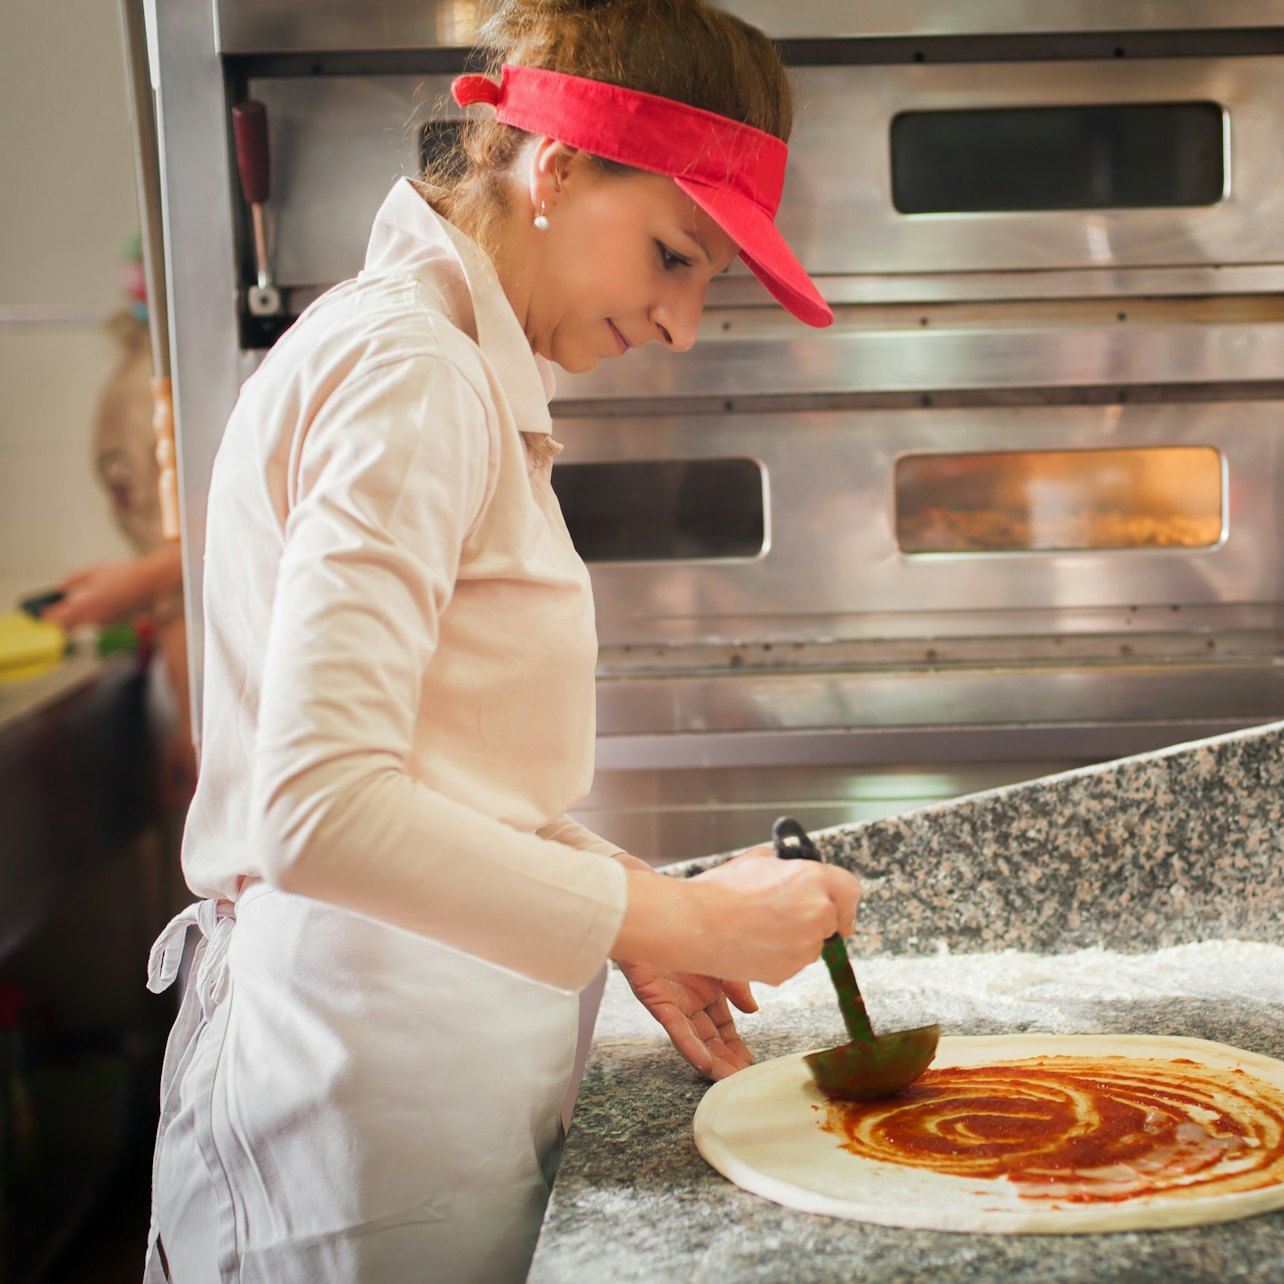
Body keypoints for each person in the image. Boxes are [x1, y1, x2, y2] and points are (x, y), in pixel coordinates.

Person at [145, 2, 860, 1280]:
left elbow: (437, 772)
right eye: (673, 255)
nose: (685, 323)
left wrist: (643, 919)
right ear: (562, 165)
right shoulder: (410, 374)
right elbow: (315, 811)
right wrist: (676, 920)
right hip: (353, 1127)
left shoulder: (452, 367)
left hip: (414, 1098)